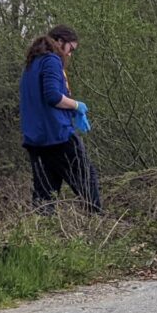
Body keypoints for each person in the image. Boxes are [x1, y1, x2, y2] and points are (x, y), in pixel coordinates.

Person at [19, 24, 101, 213]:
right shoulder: (52, 61)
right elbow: (53, 97)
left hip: (35, 140)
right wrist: (77, 105)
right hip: (58, 136)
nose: (70, 54)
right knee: (86, 182)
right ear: (59, 42)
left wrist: (70, 111)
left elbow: (37, 102)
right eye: (70, 49)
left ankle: (43, 237)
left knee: (44, 197)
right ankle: (98, 225)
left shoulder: (31, 66)